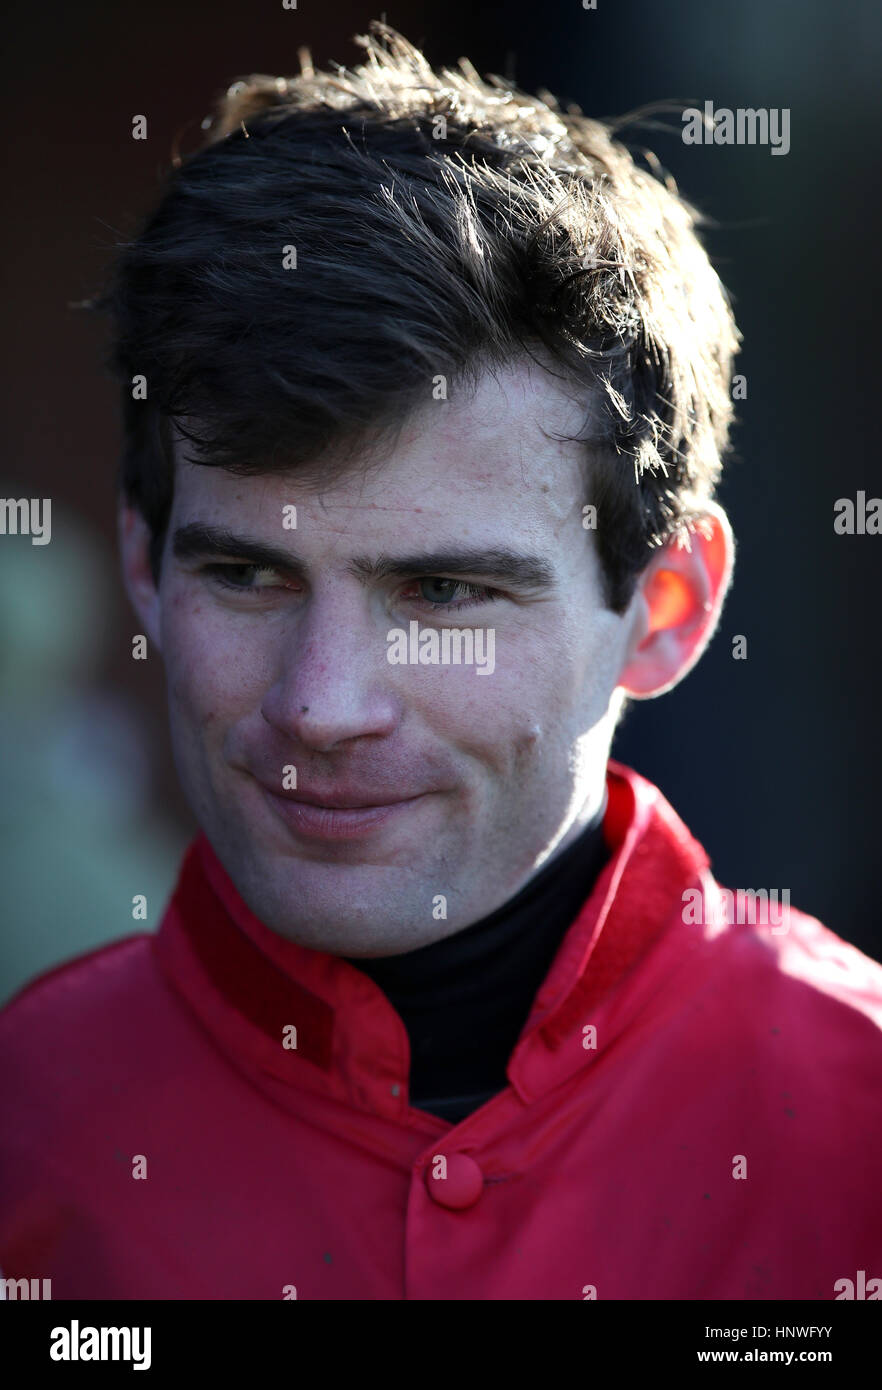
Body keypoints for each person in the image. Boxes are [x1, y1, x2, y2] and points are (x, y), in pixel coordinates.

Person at [1, 22, 880, 1301]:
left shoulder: (856, 1122)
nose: (323, 704)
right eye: (246, 574)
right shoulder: (27, 1130)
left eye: (446, 592)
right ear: (143, 563)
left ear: (670, 606)